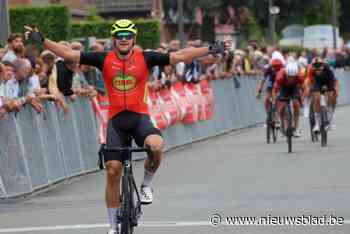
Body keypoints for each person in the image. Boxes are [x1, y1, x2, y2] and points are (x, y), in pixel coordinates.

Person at [24, 19, 229, 234]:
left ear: (133, 39)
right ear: (114, 40)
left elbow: (180, 55)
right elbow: (68, 54)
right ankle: (113, 226)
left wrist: (209, 49)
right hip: (116, 121)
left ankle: (147, 184)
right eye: (119, 36)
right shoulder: (103, 58)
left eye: (127, 36)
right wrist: (42, 40)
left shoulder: (145, 57)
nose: (123, 40)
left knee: (156, 146)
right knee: (113, 170)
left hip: (139, 118)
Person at [305, 58, 339, 131]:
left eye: (319, 67)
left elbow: (332, 82)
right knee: (316, 98)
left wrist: (332, 90)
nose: (317, 69)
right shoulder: (311, 70)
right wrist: (308, 88)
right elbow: (308, 81)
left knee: (331, 96)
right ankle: (317, 123)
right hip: (317, 83)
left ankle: (330, 120)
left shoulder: (328, 70)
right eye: (315, 67)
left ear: (323, 65)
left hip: (328, 82)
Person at [272, 62, 304, 137]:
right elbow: (274, 90)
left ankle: (296, 128)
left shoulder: (299, 76)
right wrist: (274, 101)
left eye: (293, 77)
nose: (291, 79)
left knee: (296, 103)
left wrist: (301, 98)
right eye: (289, 76)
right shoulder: (280, 76)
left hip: (294, 88)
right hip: (283, 88)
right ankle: (281, 121)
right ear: (286, 74)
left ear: (296, 75)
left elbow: (304, 88)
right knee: (281, 105)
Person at [256, 58, 284, 128]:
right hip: (272, 82)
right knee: (267, 99)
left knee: (278, 100)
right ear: (272, 66)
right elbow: (263, 80)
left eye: (278, 67)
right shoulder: (269, 68)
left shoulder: (283, 68)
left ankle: (278, 118)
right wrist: (259, 91)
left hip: (280, 82)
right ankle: (268, 116)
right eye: (274, 67)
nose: (276, 68)